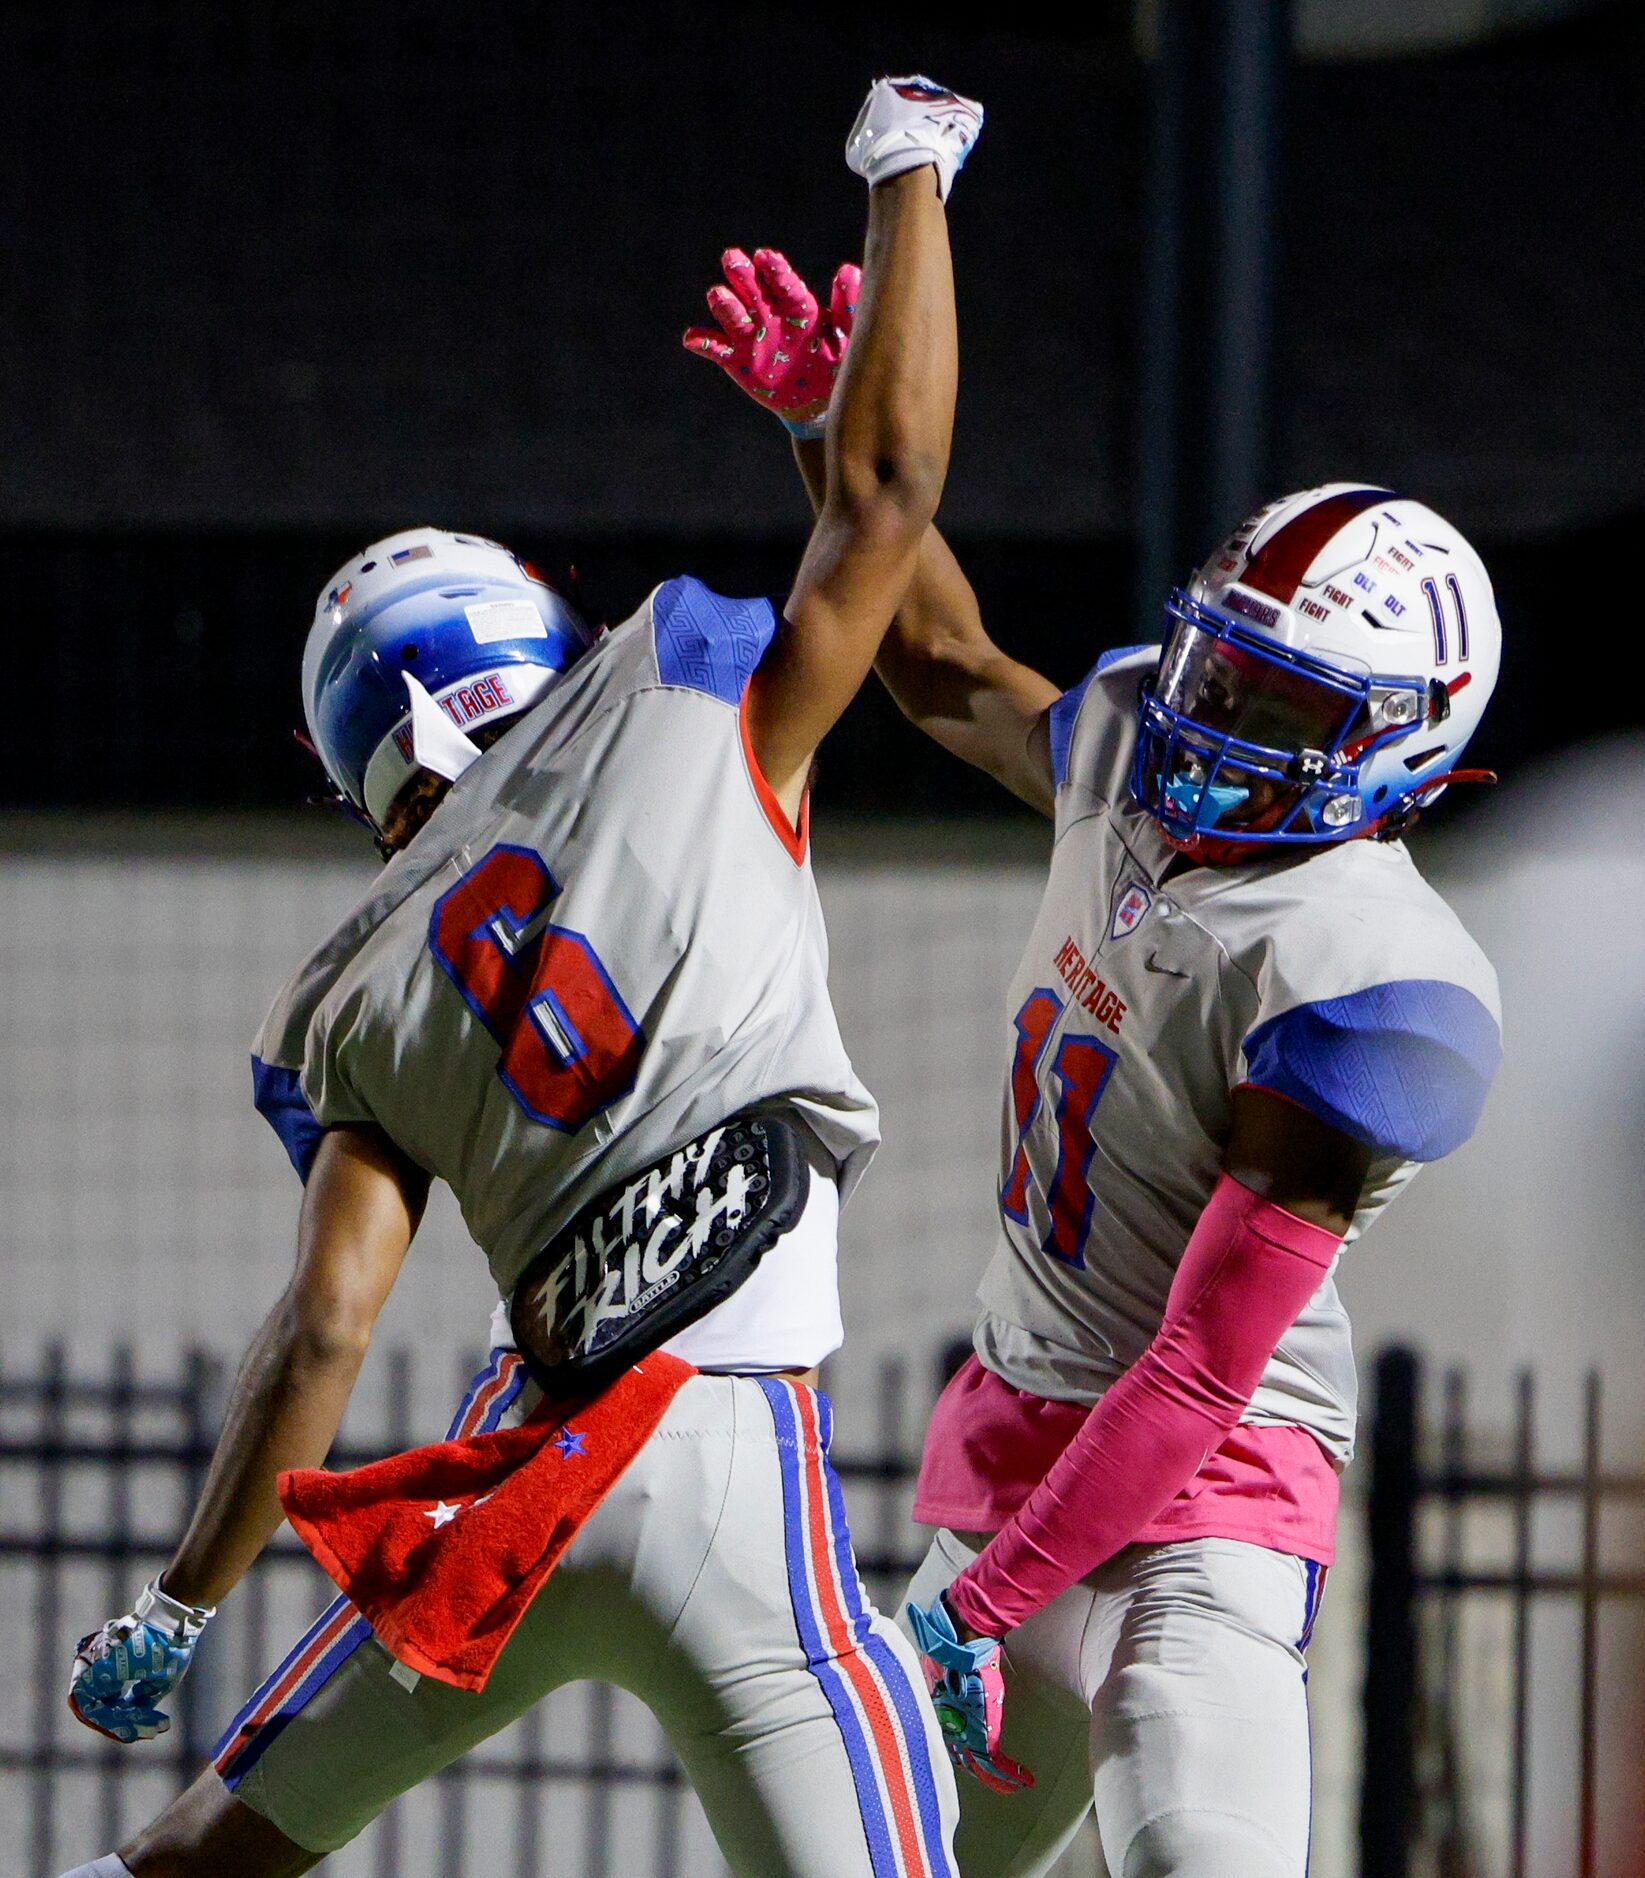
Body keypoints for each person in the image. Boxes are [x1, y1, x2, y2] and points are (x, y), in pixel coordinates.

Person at [58, 75, 985, 1878]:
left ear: (362, 767)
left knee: (196, 1860)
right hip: (739, 1457)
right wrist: (908, 180)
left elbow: (324, 1325)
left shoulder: (350, 988)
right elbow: (885, 506)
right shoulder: (688, 690)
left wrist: (181, 1601)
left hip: (520, 1486)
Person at [689, 256, 1502, 1875]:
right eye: (1222, 666)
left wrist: (973, 1614)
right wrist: (823, 422)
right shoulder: (1139, 746)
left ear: (1396, 746)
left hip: (1194, 1512)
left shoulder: (1364, 969)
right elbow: (933, 666)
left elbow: (1201, 1370)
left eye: (1275, 704)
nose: (1209, 720)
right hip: (1019, 1461)